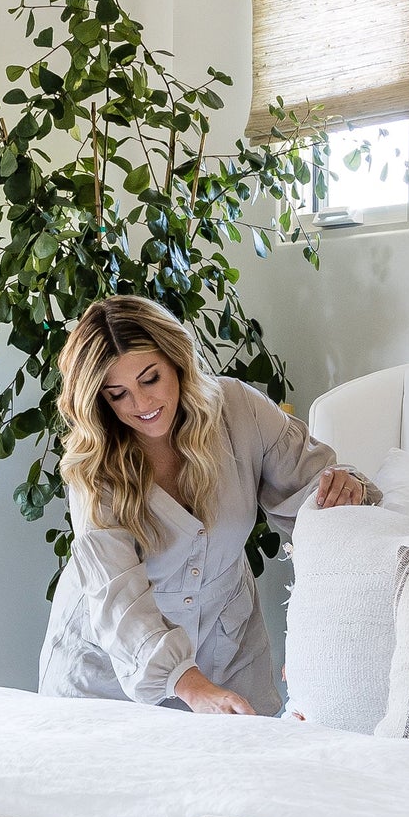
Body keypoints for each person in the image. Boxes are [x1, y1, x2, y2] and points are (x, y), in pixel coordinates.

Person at [38, 295, 378, 716]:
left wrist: (344, 490)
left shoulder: (238, 410)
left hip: (229, 648)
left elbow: (316, 494)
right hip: (110, 669)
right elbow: (118, 601)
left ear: (176, 360)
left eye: (150, 378)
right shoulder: (94, 469)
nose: (141, 405)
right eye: (118, 394)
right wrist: (189, 684)